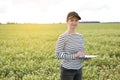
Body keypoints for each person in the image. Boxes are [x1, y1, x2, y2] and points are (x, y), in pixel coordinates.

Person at [55, 11, 86, 80]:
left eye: (76, 20)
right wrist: (75, 55)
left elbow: (80, 52)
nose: (74, 22)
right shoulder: (63, 37)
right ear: (67, 21)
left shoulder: (80, 36)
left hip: (79, 69)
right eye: (72, 20)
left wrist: (84, 56)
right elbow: (58, 55)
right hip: (67, 71)